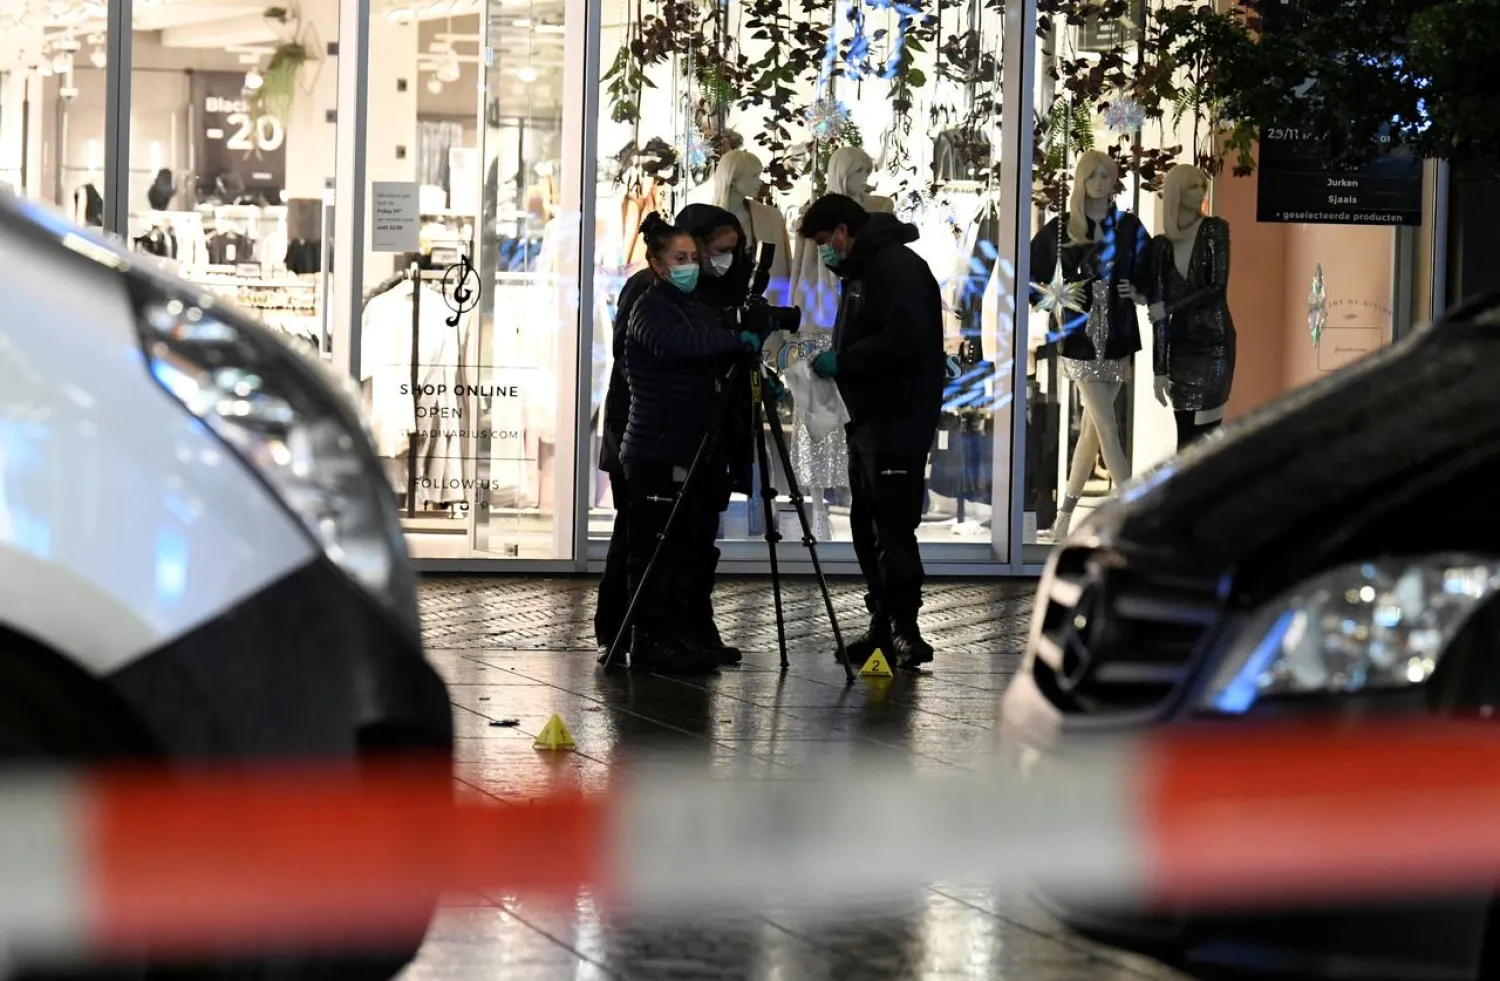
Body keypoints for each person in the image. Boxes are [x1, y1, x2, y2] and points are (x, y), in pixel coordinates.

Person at [594, 204, 756, 663]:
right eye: (717, 251)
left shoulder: (699, 299)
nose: (711, 262)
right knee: (645, 542)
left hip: (693, 437)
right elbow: (652, 355)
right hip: (652, 437)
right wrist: (731, 340)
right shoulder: (649, 298)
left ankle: (685, 629)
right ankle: (633, 632)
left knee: (690, 541)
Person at [797, 193, 945, 671]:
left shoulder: (894, 268)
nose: (824, 251)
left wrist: (847, 360)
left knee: (894, 525)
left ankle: (906, 628)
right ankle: (882, 623)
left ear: (844, 231)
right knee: (868, 522)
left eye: (824, 241)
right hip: (868, 418)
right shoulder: (860, 271)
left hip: (897, 419)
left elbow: (906, 338)